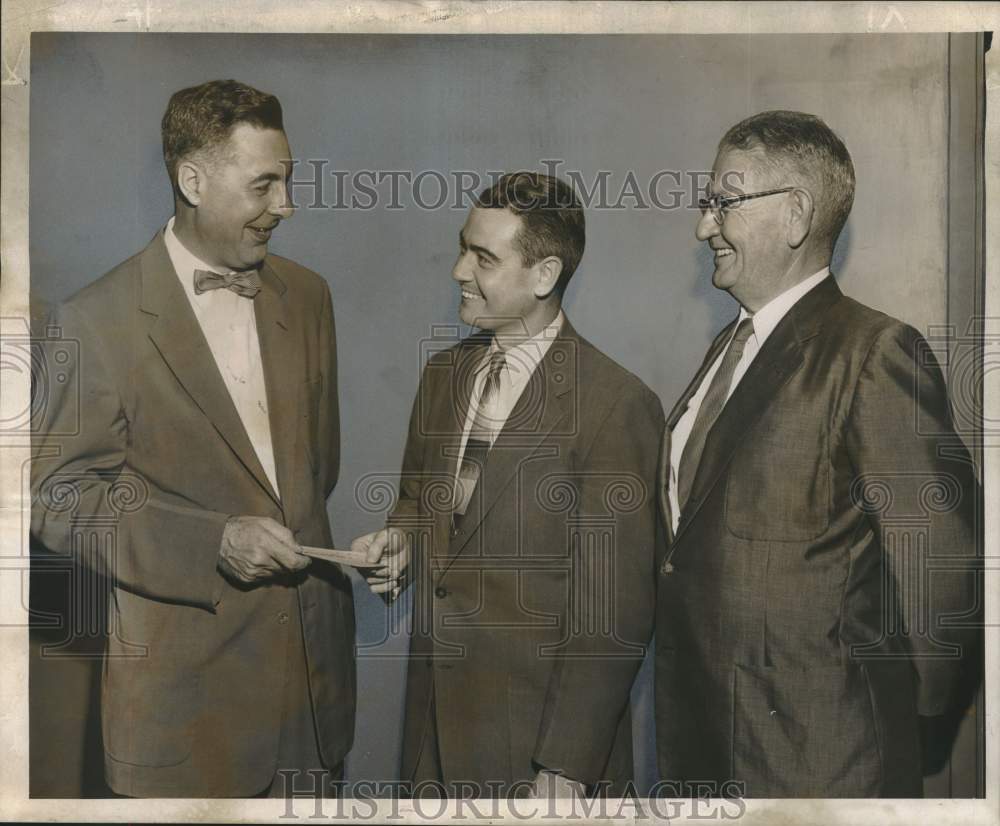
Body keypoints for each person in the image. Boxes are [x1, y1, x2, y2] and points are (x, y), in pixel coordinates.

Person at [31, 79, 358, 798]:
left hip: (312, 701)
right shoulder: (93, 320)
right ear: (192, 180)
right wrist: (210, 541)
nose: (287, 206)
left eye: (290, 180)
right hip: (184, 719)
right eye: (265, 185)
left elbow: (313, 475)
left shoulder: (309, 298)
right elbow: (58, 501)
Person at [654, 110, 980, 797]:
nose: (702, 226)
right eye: (706, 204)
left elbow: (941, 578)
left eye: (722, 203)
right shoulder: (727, 350)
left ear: (795, 213)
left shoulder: (874, 353)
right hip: (706, 752)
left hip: (817, 764)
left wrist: (886, 727)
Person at [355, 172, 663, 799]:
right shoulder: (444, 374)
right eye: (463, 247)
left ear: (544, 275)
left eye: (484, 258)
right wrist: (403, 541)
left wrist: (567, 766)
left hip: (540, 756)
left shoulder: (616, 404)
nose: (459, 271)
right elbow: (421, 503)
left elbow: (615, 609)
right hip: (431, 736)